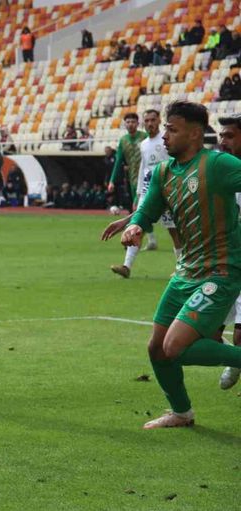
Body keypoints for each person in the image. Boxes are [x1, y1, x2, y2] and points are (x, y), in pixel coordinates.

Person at [107, 101, 241, 429]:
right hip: (185, 271)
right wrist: (136, 225)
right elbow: (148, 208)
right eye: (165, 128)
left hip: (220, 272)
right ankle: (181, 413)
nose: (165, 135)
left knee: (175, 347)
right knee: (157, 348)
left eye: (172, 129)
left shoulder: (218, 164)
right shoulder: (164, 171)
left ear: (195, 134)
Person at [110, 109, 182, 278]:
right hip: (148, 190)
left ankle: (181, 268)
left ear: (159, 121)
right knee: (137, 226)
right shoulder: (143, 144)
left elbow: (175, 163)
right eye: (147, 120)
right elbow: (144, 169)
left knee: (174, 230)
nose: (150, 123)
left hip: (167, 190)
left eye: (153, 120)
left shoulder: (166, 139)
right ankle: (126, 266)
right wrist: (138, 194)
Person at [216, 113, 241, 389]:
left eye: (230, 136)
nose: (223, 141)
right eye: (221, 135)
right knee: (205, 333)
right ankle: (235, 360)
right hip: (223, 262)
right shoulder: (218, 170)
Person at [107, 112, 148, 214]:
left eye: (133, 122)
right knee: (136, 206)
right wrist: (112, 181)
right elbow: (118, 162)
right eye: (128, 122)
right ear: (125, 124)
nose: (130, 124)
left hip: (147, 175)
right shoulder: (123, 140)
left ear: (137, 123)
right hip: (133, 178)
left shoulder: (145, 137)